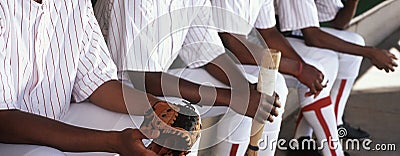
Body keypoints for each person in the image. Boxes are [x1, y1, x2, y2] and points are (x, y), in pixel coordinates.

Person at [93, 0, 283, 155]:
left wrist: (244, 90)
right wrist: (232, 97)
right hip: (114, 90)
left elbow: (207, 50)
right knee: (184, 122)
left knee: (262, 92)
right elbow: (142, 76)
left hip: (155, 80)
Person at [0, 0, 167, 155]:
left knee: (149, 126)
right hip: (9, 135)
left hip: (58, 117)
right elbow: (4, 120)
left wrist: (159, 107)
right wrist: (113, 142)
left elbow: (98, 81)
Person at [275, 0, 398, 155]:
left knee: (353, 43)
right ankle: (310, 144)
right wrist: (370, 52)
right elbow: (313, 37)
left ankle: (332, 123)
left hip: (291, 35)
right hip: (275, 39)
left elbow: (339, 23)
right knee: (322, 67)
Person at [210, 0, 326, 155]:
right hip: (200, 63)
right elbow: (234, 43)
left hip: (224, 59)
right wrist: (297, 69)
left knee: (275, 85)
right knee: (256, 90)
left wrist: (302, 68)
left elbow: (269, 32)